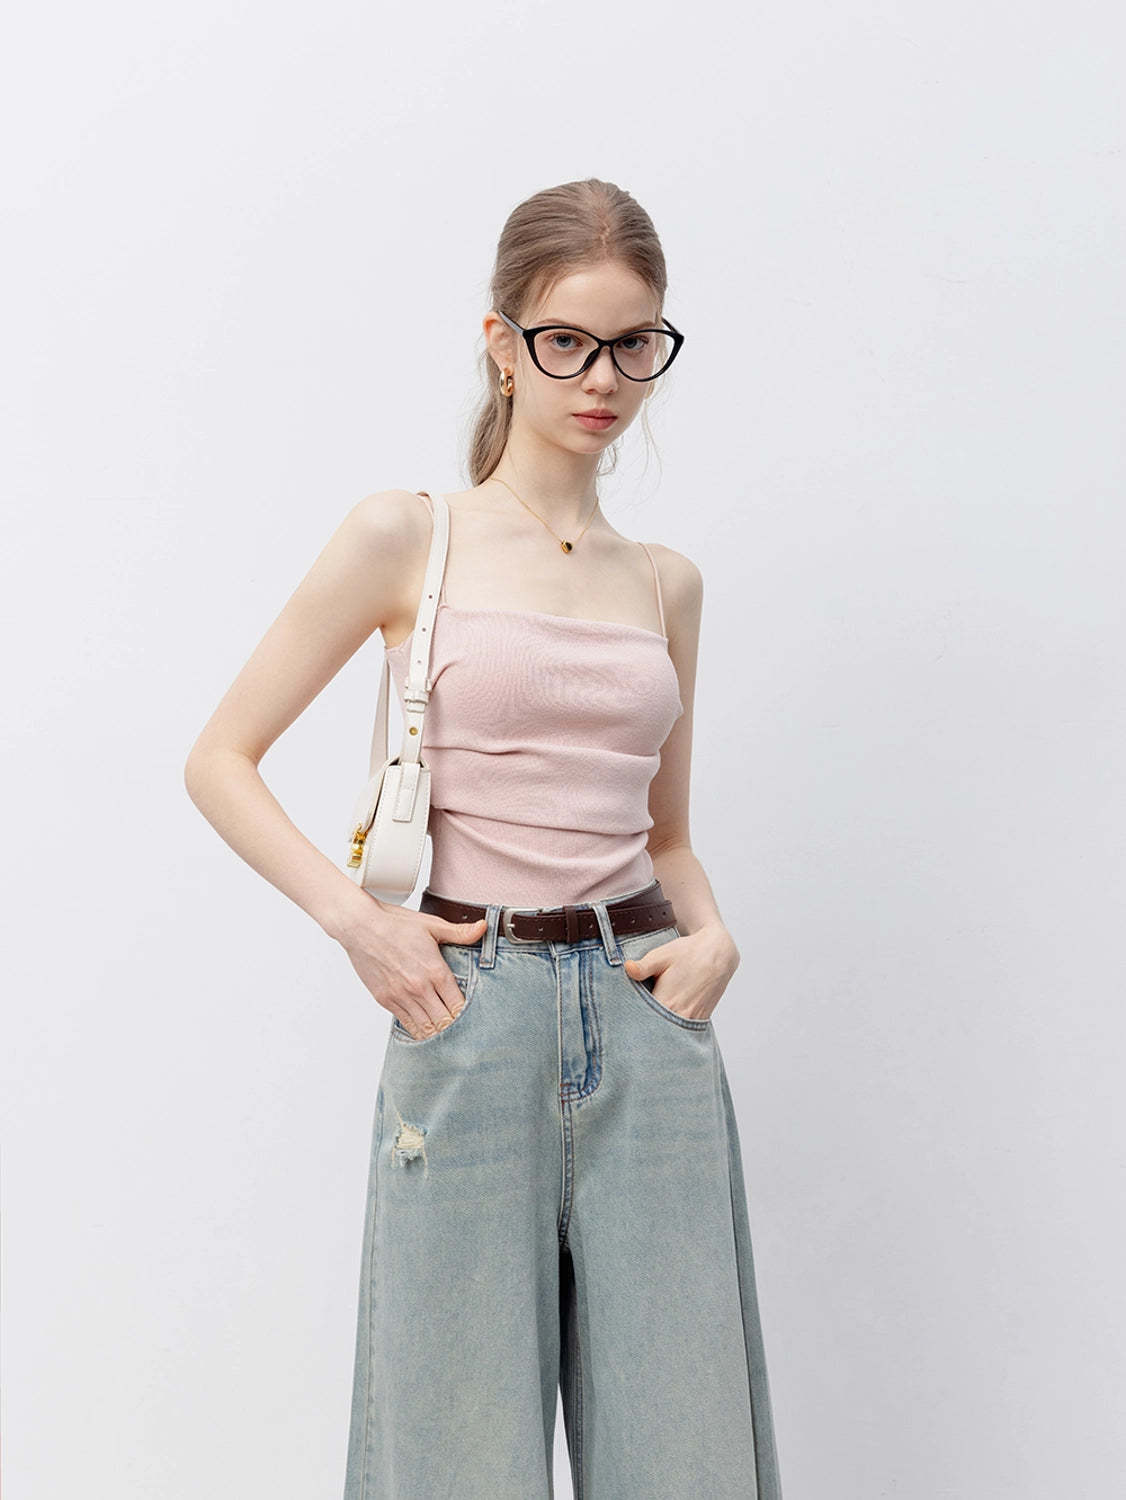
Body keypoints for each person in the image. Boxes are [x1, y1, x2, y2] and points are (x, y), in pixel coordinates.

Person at [184, 177, 783, 1499]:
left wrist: (715, 937)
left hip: (647, 1013)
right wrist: (361, 926)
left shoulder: (665, 583)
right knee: (451, 1454)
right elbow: (218, 760)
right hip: (472, 1006)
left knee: (685, 1453)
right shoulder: (409, 535)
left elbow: (667, 833)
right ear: (503, 343)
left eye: (635, 344)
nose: (603, 378)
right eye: (568, 340)